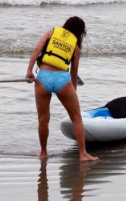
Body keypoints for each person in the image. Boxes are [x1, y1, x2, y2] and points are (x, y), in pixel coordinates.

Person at [25, 16, 98, 162]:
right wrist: (72, 92)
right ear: (80, 32)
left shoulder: (52, 32)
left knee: (43, 119)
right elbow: (74, 74)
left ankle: (44, 152)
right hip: (62, 81)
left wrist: (29, 71)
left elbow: (37, 49)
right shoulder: (75, 47)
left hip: (43, 77)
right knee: (76, 117)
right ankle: (83, 154)